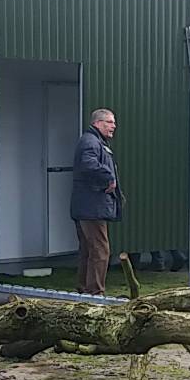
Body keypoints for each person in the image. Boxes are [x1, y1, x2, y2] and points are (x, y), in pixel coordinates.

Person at [71, 108, 124, 295]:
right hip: (91, 207)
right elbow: (89, 165)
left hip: (88, 206)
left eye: (114, 122)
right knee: (100, 250)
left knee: (88, 249)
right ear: (97, 123)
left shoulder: (95, 141)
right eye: (110, 122)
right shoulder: (90, 142)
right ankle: (95, 292)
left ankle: (85, 289)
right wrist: (109, 178)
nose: (114, 126)